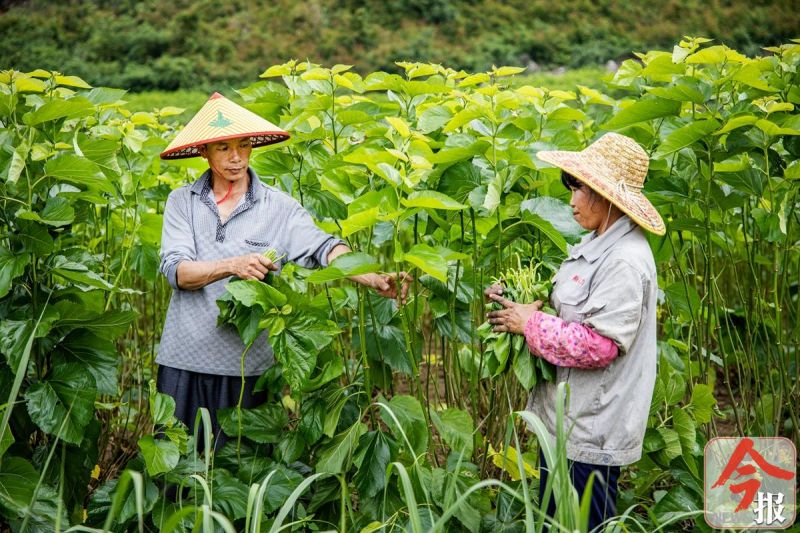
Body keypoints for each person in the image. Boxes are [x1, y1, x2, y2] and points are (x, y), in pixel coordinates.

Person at [158, 93, 410, 450]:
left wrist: (370, 276)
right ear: (204, 152)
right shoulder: (182, 202)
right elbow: (178, 272)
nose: (236, 157)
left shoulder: (278, 207)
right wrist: (233, 265)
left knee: (241, 476)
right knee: (177, 471)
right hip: (184, 361)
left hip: (249, 370)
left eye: (244, 146)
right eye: (223, 148)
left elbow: (324, 247)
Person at [484, 132, 664, 530]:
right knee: (557, 522)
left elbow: (599, 346)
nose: (571, 200)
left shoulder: (624, 261)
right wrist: (521, 300)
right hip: (568, 418)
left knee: (583, 524)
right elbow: (571, 311)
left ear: (605, 195)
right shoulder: (593, 244)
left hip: (593, 425)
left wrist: (529, 323)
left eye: (578, 188)